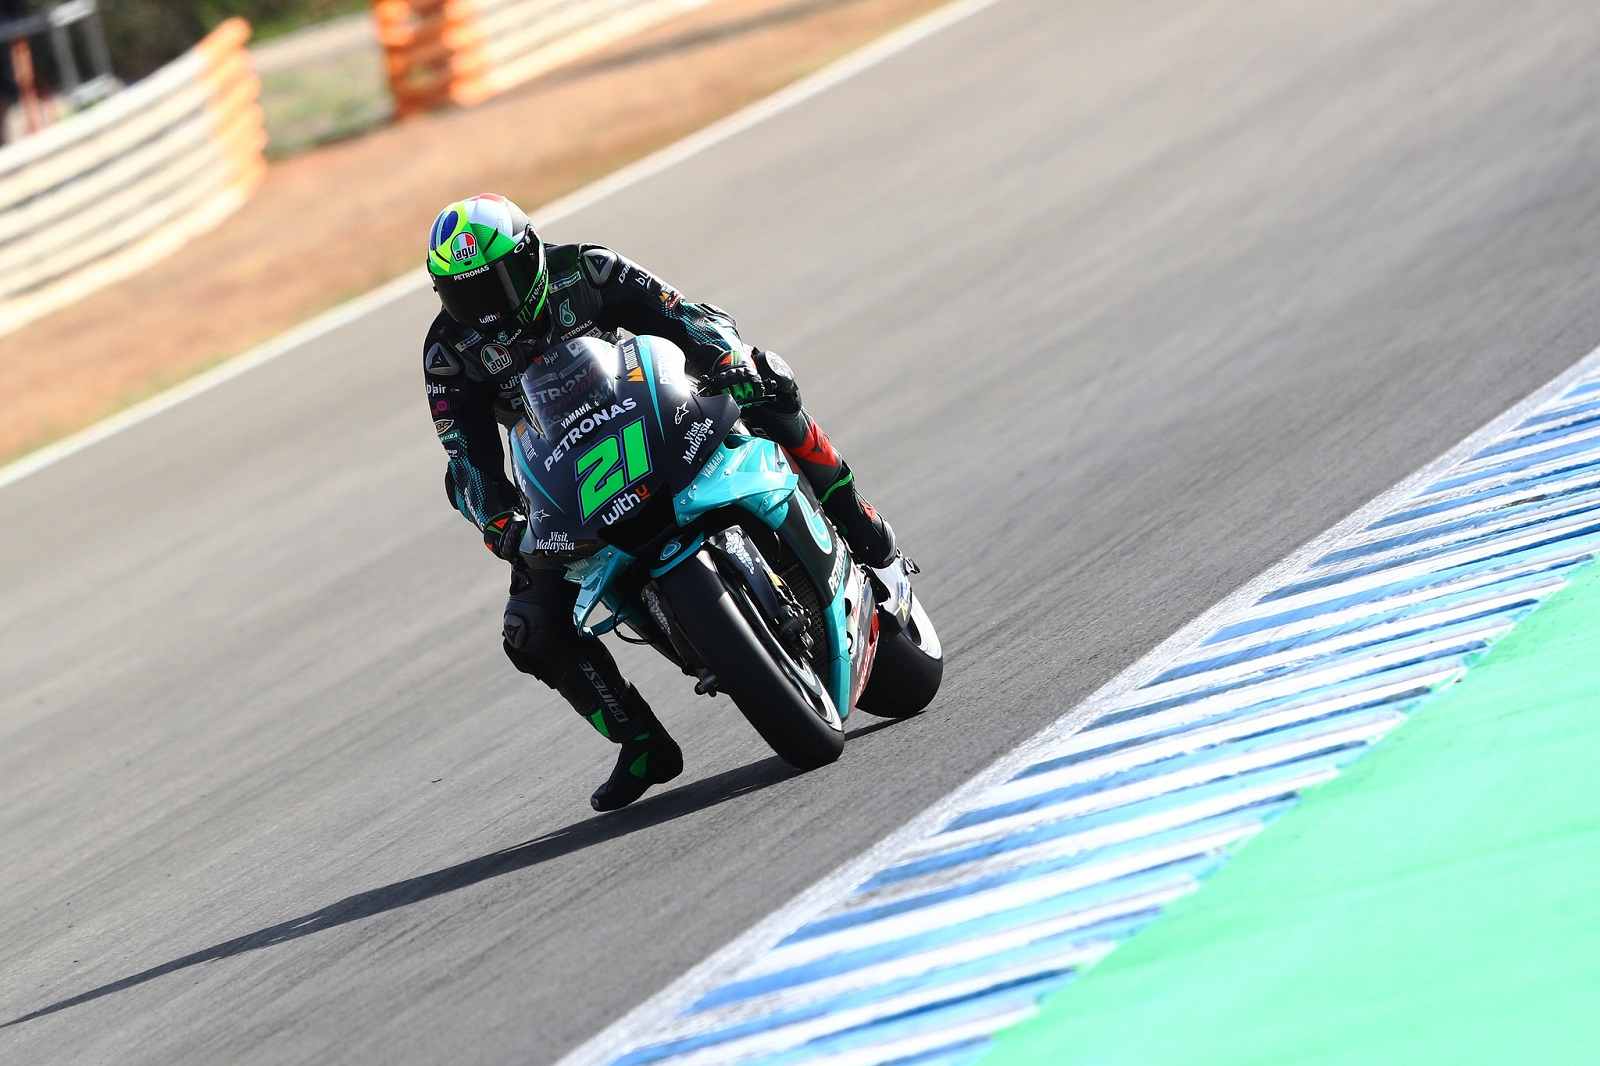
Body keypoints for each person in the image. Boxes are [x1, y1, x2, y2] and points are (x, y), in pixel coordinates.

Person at [422, 194, 898, 811]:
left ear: (530, 257)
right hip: (570, 476)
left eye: (495, 284)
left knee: (771, 390)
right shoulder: (448, 352)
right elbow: (464, 454)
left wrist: (726, 357)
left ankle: (872, 544)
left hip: (656, 411)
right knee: (529, 632)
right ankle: (641, 741)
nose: (482, 308)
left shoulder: (586, 268)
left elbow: (679, 314)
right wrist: (498, 521)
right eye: (464, 294)